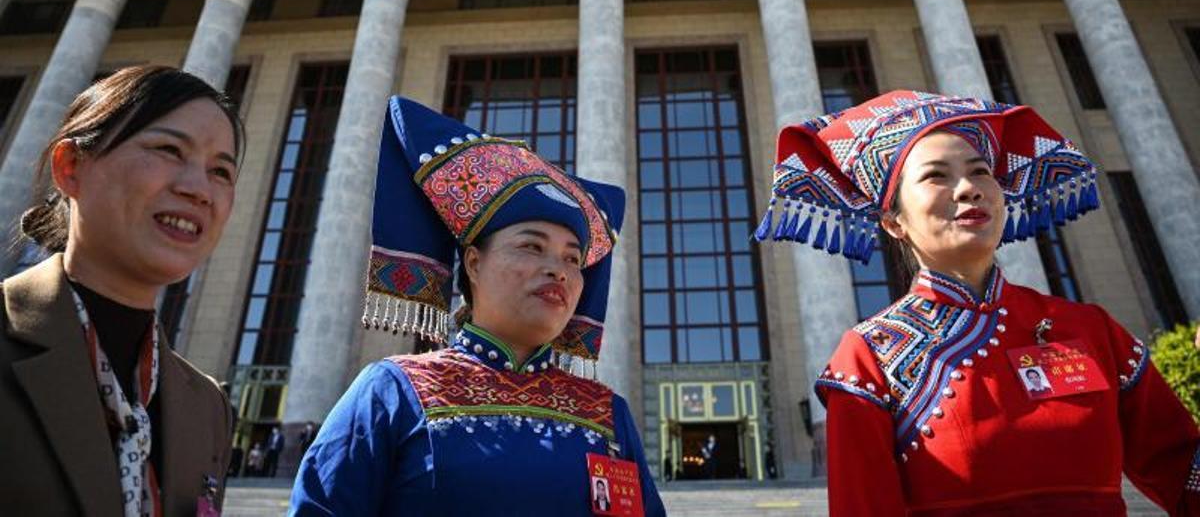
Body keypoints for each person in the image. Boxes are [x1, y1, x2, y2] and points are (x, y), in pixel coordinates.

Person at [756, 90, 1200, 515]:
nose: (969, 188)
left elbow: (1186, 479)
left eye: (980, 171)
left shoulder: (1092, 331)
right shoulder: (868, 358)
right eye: (936, 176)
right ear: (894, 222)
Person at [291, 97, 665, 516]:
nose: (558, 270)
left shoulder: (607, 412)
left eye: (572, 258)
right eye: (531, 246)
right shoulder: (394, 391)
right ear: (473, 261)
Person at [0, 65, 242, 516]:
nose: (199, 190)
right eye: (169, 150)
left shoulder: (207, 407)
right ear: (70, 167)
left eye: (221, 172)